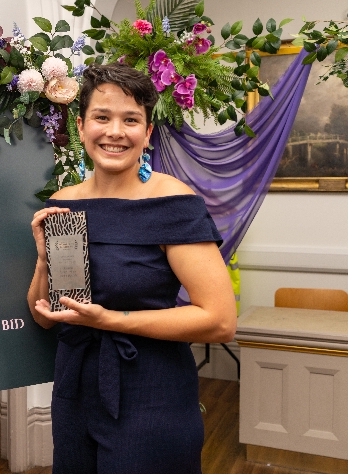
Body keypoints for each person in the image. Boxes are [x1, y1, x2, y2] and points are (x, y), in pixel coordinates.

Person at [27, 62, 237, 474]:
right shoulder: (63, 201)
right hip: (75, 389)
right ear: (82, 126)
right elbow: (46, 317)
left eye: (131, 120)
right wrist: (42, 260)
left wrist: (109, 320)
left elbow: (219, 321)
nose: (115, 132)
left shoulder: (172, 202)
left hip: (151, 391)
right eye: (102, 117)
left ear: (147, 133)